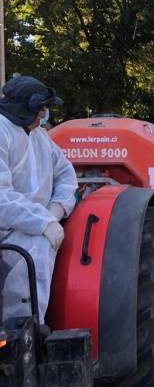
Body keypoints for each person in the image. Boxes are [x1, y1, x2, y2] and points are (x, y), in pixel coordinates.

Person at [0, 76, 77, 322]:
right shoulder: (3, 133)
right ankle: (22, 329)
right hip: (8, 229)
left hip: (37, 222)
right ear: (26, 108)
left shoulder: (40, 137)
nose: (45, 113)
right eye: (42, 107)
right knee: (35, 251)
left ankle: (32, 326)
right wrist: (43, 223)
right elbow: (2, 197)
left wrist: (56, 209)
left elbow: (66, 173)